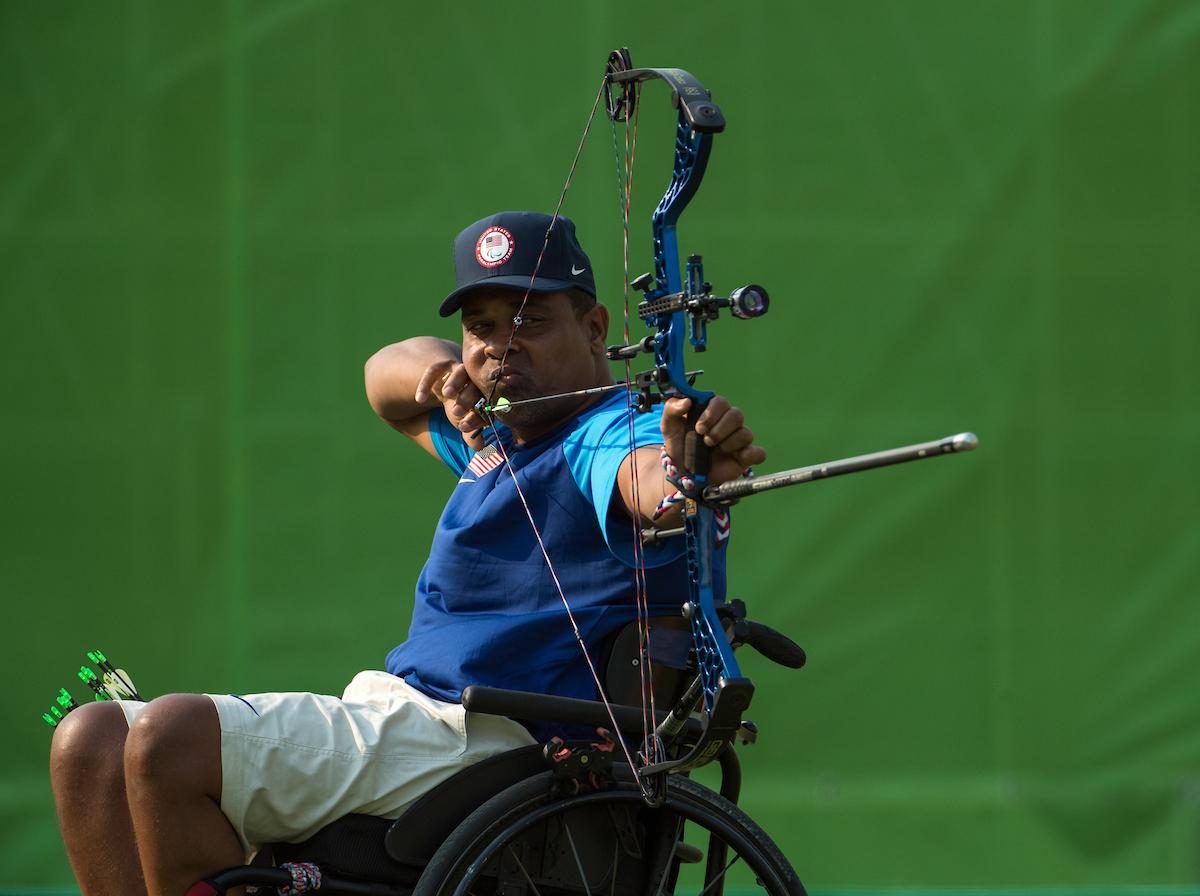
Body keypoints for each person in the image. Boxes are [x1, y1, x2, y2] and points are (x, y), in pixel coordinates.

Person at [49, 211, 766, 896]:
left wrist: (686, 472)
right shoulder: (499, 438)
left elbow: (648, 480)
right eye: (480, 328)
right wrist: (444, 375)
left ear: (596, 328)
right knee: (87, 745)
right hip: (411, 727)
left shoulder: (603, 431)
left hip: (487, 744)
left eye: (530, 322)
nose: (498, 346)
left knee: (169, 740)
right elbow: (383, 379)